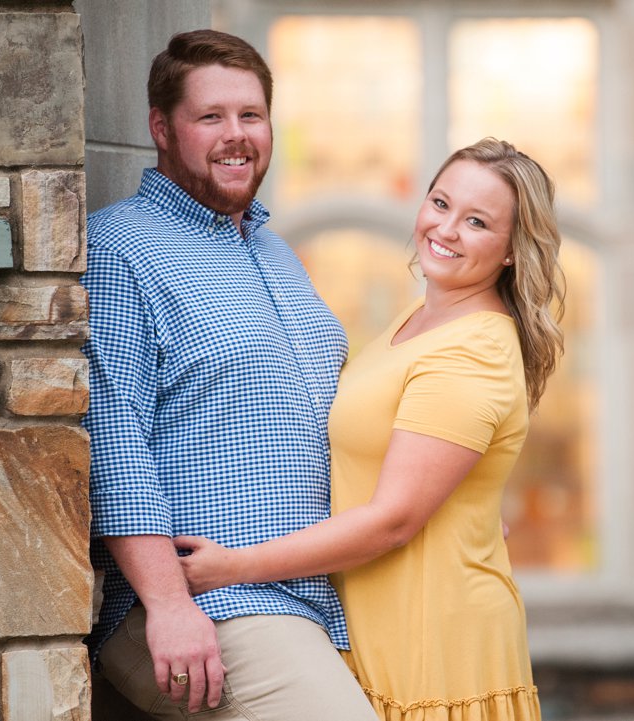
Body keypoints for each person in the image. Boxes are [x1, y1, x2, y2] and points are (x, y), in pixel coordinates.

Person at [175, 137, 566, 721]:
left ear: (512, 249)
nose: (447, 229)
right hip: (378, 621)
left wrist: (233, 566)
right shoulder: (424, 314)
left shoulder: (473, 350)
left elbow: (393, 519)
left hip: (435, 639)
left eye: (477, 222)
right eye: (440, 203)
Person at [80, 29, 378, 720]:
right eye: (210, 117)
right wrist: (167, 604)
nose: (236, 135)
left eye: (251, 115)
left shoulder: (276, 254)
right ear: (161, 128)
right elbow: (114, 437)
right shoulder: (119, 248)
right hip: (209, 608)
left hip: (310, 600)